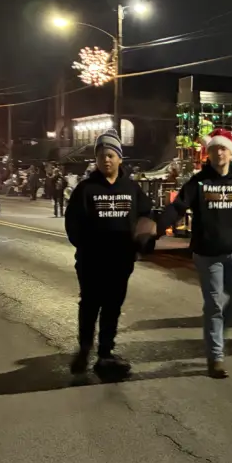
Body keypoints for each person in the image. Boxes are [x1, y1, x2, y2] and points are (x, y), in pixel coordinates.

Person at [158, 129, 232, 379]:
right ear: (208, 154)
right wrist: (157, 228)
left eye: (223, 149)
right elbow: (178, 206)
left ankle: (217, 334)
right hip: (207, 255)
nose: (218, 153)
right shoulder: (199, 182)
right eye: (214, 149)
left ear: (231, 154)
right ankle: (215, 358)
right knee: (214, 306)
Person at [64, 130, 157, 379]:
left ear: (119, 158)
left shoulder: (132, 188)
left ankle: (105, 354)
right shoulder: (85, 189)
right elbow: (73, 224)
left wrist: (145, 236)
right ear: (96, 159)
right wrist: (87, 247)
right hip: (91, 262)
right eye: (101, 156)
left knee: (112, 307)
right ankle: (85, 348)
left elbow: (147, 214)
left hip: (121, 261)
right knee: (90, 304)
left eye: (111, 155)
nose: (106, 160)